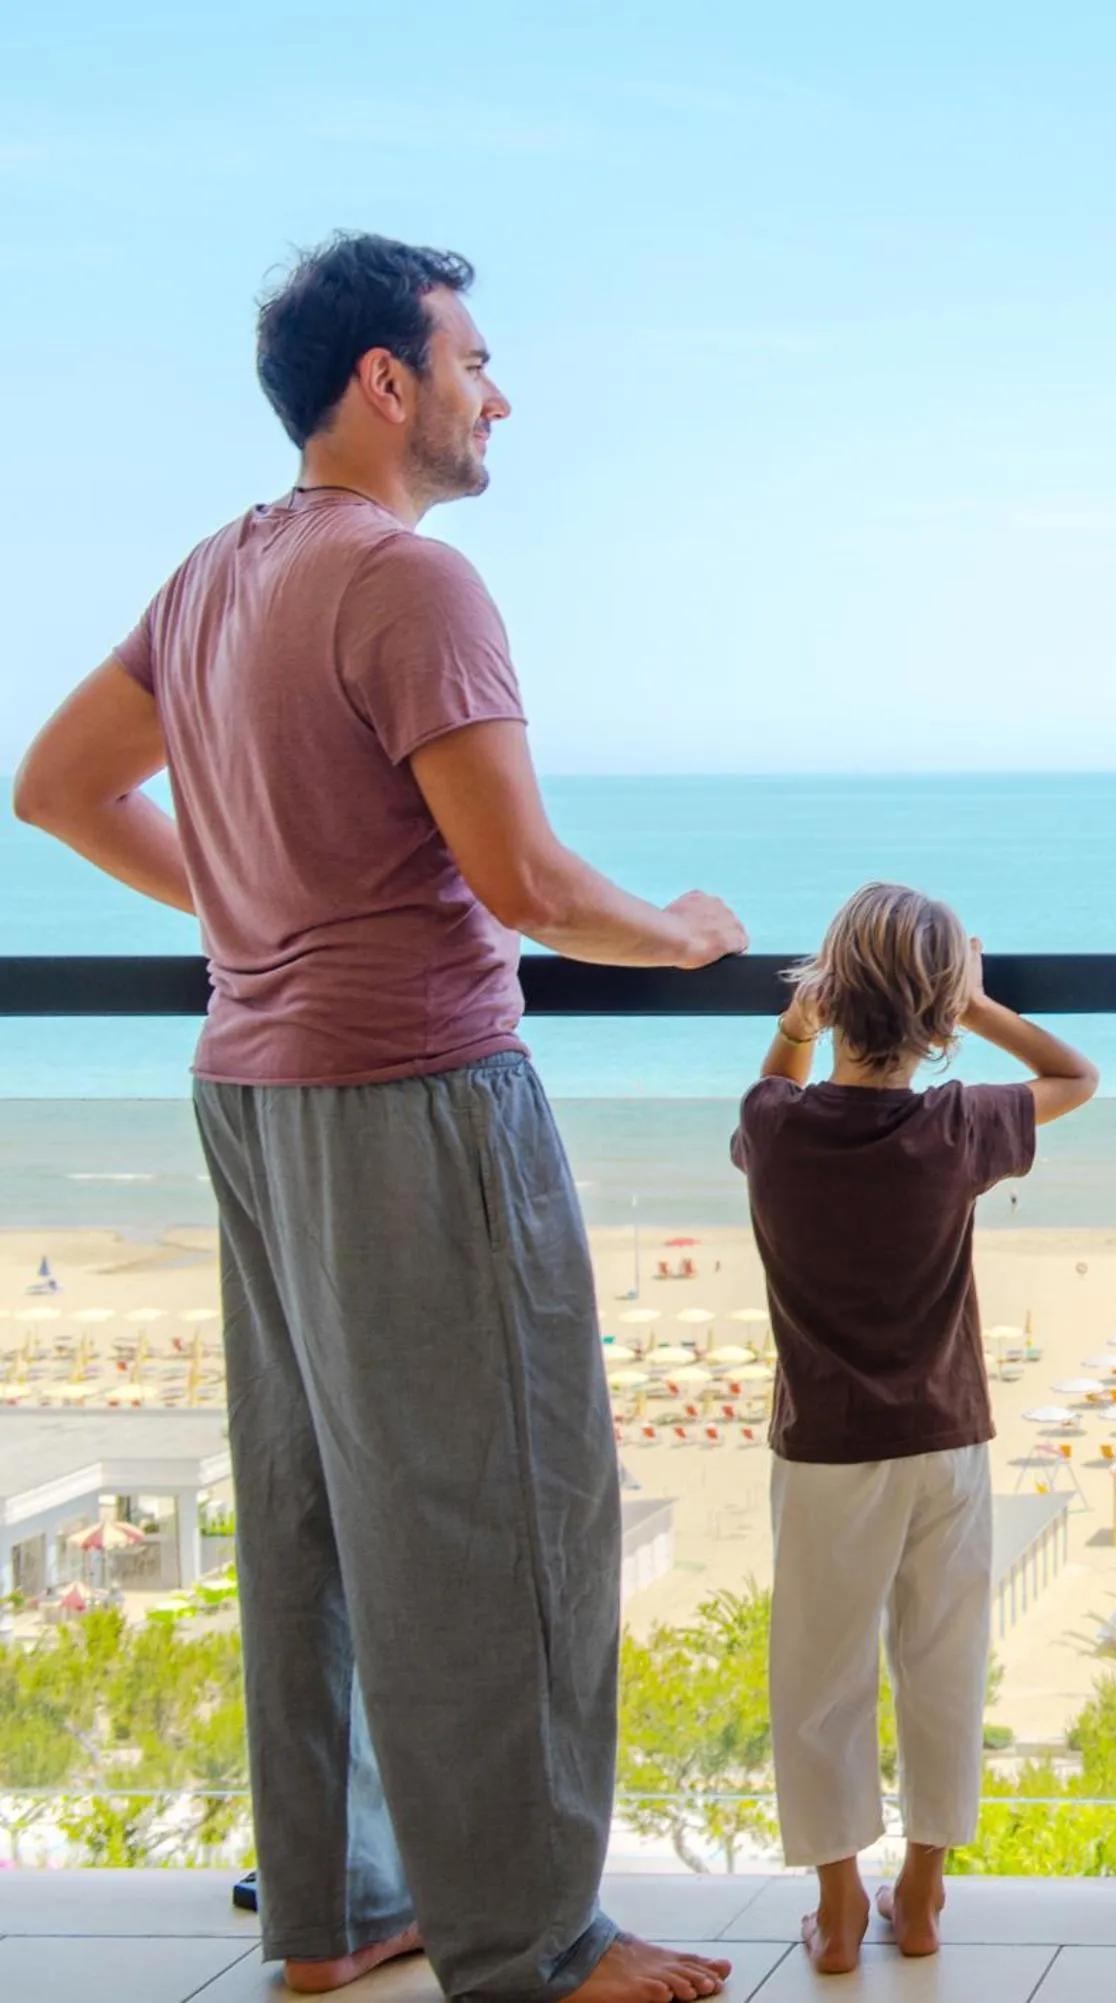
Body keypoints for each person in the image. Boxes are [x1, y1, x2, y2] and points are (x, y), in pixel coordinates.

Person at [13, 232, 746, 2003]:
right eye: (477, 358)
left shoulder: (213, 574)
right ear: (386, 381)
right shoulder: (412, 583)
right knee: (503, 1511)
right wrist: (687, 934)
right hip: (411, 1088)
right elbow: (527, 879)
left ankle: (337, 1914)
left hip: (253, 1090)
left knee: (316, 1509)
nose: (503, 393)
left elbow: (54, 789)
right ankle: (533, 1938)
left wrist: (254, 907)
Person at [730, 883, 1098, 1973]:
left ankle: (839, 1907)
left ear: (827, 994)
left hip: (827, 1452)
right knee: (941, 1660)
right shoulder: (957, 1125)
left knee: (820, 1673)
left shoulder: (776, 1128)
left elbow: (770, 1086)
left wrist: (795, 1028)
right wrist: (977, 1004)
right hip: (946, 1440)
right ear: (935, 1015)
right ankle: (924, 1891)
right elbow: (1076, 1076)